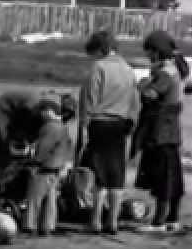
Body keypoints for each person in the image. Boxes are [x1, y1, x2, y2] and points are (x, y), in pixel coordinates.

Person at [77, 30, 140, 235]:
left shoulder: (99, 67)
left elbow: (90, 98)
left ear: (100, 49)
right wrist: (130, 123)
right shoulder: (129, 70)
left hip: (99, 123)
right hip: (120, 124)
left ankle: (95, 220)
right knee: (116, 174)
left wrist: (84, 124)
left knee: (99, 175)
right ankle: (112, 220)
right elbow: (135, 102)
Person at [133, 30, 189, 234]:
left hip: (160, 131)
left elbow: (151, 94)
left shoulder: (165, 72)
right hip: (172, 131)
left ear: (156, 51)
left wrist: (140, 84)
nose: (148, 55)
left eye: (149, 51)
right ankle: (172, 219)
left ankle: (158, 222)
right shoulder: (176, 69)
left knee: (162, 177)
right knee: (173, 176)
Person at [24, 98, 73, 237]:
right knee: (50, 200)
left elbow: (43, 148)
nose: (40, 114)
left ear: (49, 111)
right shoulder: (62, 127)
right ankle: (47, 226)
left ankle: (30, 225)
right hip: (56, 168)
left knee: (34, 198)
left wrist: (34, 162)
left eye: (42, 111)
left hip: (44, 168)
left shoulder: (50, 127)